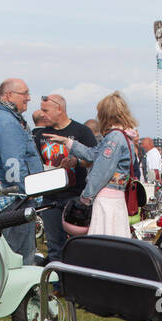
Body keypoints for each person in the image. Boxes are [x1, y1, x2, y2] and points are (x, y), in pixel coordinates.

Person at [44, 91, 139, 238]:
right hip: (116, 198)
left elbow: (101, 171)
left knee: (102, 242)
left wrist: (86, 197)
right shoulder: (124, 136)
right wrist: (67, 142)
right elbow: (94, 154)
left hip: (107, 200)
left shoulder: (113, 138)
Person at [0, 78, 43, 264]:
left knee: (10, 255)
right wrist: (27, 191)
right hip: (15, 201)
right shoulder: (8, 122)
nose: (29, 98)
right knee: (21, 257)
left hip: (4, 198)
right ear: (9, 95)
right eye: (24, 94)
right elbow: (13, 165)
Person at [32, 93, 96, 263]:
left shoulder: (81, 131)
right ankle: (57, 286)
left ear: (59, 109)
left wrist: (77, 161)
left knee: (80, 245)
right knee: (54, 248)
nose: (42, 114)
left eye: (46, 110)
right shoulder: (41, 135)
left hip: (75, 197)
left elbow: (95, 159)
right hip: (50, 198)